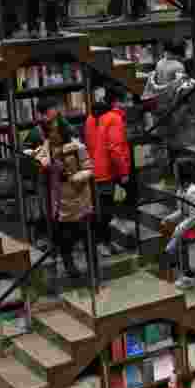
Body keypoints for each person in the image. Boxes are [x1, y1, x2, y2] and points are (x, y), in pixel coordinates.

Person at [31, 116, 94, 280]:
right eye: (49, 131)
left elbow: (88, 168)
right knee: (65, 239)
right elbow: (40, 171)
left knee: (86, 236)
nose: (51, 134)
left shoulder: (76, 146)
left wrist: (75, 177)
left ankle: (93, 269)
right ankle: (70, 268)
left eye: (54, 130)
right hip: (59, 202)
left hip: (79, 199)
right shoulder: (45, 149)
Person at [86, 86, 131, 259]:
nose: (127, 104)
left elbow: (90, 143)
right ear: (115, 102)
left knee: (102, 209)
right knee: (106, 211)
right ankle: (102, 244)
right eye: (124, 100)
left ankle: (105, 242)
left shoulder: (91, 117)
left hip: (94, 170)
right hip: (108, 171)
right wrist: (124, 171)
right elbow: (115, 148)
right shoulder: (114, 118)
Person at [162, 159, 195, 297]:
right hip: (192, 232)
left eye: (176, 171)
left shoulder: (193, 192)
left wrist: (177, 231)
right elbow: (182, 211)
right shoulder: (182, 190)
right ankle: (193, 282)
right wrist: (170, 218)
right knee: (192, 261)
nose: (174, 174)